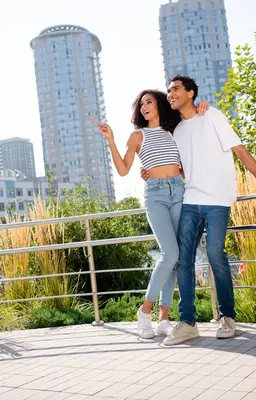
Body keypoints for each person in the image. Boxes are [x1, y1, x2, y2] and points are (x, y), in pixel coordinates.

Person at [142, 75, 256, 346]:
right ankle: (188, 322)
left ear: (191, 93)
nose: (170, 94)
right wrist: (150, 173)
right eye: (168, 91)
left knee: (215, 253)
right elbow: (177, 166)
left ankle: (227, 316)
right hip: (190, 199)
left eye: (176, 89)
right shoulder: (176, 130)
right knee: (184, 259)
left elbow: (240, 150)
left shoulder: (212, 115)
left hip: (217, 199)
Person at [91, 90, 208, 339]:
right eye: (141, 103)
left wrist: (201, 106)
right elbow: (123, 170)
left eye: (149, 102)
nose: (144, 106)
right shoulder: (137, 136)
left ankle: (164, 319)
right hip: (155, 196)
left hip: (178, 190)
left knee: (176, 257)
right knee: (170, 253)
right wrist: (110, 139)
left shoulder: (174, 131)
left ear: (160, 105)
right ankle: (145, 312)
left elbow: (187, 160)